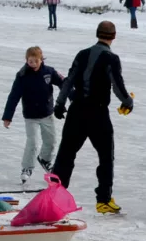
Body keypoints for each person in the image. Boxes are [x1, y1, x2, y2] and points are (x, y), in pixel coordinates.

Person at [52, 20, 133, 214]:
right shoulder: (111, 58)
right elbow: (117, 85)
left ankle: (54, 195)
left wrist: (59, 104)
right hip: (97, 113)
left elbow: (68, 80)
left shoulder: (82, 54)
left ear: (97, 34)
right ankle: (103, 200)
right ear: (113, 37)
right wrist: (127, 102)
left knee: (66, 154)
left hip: (77, 110)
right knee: (106, 156)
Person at [2, 46, 66, 185]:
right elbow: (13, 96)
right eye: (30, 61)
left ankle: (45, 159)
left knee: (51, 141)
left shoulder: (49, 72)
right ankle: (27, 168)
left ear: (41, 59)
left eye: (36, 61)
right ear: (26, 60)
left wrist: (71, 96)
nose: (33, 64)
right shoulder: (22, 75)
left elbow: (64, 83)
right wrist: (7, 117)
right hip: (31, 116)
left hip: (47, 114)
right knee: (33, 142)